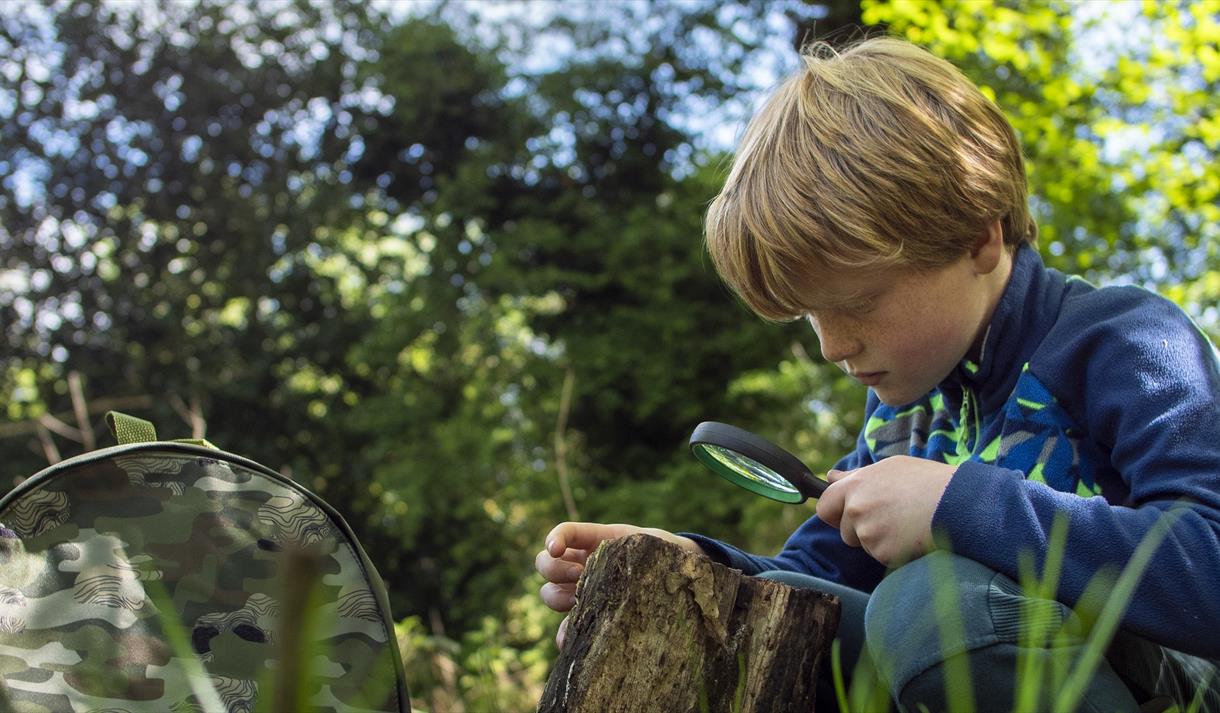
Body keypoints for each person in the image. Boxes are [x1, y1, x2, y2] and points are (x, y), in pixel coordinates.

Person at [534, 36, 1220, 712]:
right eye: (810, 315)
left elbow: (1208, 564)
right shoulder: (906, 413)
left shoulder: (1123, 339)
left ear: (980, 236)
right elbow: (806, 591)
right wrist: (683, 572)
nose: (833, 345)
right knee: (786, 637)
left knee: (930, 605)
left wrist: (956, 506)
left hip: (1163, 680)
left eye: (859, 304)